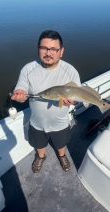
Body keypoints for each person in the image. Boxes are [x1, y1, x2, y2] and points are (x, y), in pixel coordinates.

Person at [11, 30, 81, 173]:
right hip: (37, 122)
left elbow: (77, 95)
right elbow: (21, 88)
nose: (48, 53)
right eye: (44, 48)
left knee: (61, 144)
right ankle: (40, 156)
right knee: (39, 144)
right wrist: (20, 94)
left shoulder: (70, 71)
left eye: (54, 49)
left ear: (61, 51)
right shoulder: (28, 69)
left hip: (60, 122)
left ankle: (61, 155)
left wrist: (73, 102)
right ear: (38, 49)